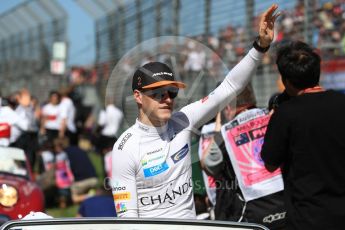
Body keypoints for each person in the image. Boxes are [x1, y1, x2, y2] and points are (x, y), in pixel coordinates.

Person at [111, 4, 280, 218]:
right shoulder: (124, 148)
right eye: (157, 93)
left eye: (171, 92)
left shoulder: (183, 120)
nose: (167, 99)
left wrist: (260, 46)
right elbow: (128, 220)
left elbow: (229, 87)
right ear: (137, 96)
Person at [261, 40, 345, 230]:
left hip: (307, 219)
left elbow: (270, 163)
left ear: (286, 82)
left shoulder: (285, 114)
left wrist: (273, 123)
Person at [199, 85, 286, 229]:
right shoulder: (274, 118)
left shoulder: (226, 132)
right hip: (287, 204)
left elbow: (209, 164)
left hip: (251, 216)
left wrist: (219, 125)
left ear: (227, 108)